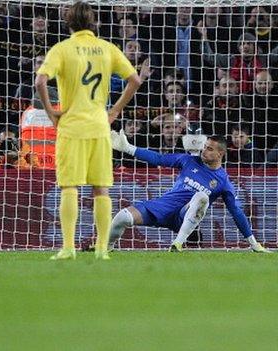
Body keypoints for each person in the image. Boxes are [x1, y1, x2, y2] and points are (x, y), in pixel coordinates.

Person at [35, 2, 144, 260]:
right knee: (101, 189)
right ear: (94, 23)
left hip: (71, 126)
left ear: (69, 23)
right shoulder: (107, 48)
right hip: (99, 125)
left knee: (69, 187)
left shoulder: (62, 49)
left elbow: (40, 80)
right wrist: (115, 110)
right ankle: (103, 250)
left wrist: (52, 113)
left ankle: (69, 248)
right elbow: (135, 80)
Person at [108, 132, 270, 253]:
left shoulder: (223, 181)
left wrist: (253, 243)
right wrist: (128, 148)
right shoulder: (188, 160)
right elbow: (158, 158)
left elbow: (236, 212)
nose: (204, 151)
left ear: (220, 154)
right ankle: (105, 248)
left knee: (201, 197)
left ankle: (177, 244)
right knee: (122, 217)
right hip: (162, 207)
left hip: (183, 217)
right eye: (205, 146)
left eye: (209, 149)